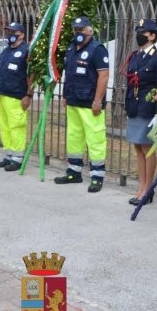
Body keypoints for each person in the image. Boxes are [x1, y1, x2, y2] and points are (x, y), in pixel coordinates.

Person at [53, 16, 109, 193]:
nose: (78, 33)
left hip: (90, 103)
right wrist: (65, 96)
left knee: (95, 139)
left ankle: (97, 176)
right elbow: (69, 75)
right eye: (75, 29)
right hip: (73, 101)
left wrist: (98, 100)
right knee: (74, 137)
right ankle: (74, 172)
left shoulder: (97, 49)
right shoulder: (71, 48)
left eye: (81, 30)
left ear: (89, 31)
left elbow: (104, 76)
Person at [124, 18, 157, 205]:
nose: (139, 35)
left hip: (148, 109)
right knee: (137, 146)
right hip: (135, 107)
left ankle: (148, 189)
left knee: (147, 148)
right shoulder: (135, 56)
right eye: (139, 32)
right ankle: (141, 186)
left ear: (152, 36)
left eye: (143, 32)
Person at [0, 22, 32, 171]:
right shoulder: (6, 51)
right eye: (8, 31)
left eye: (13, 32)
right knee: (5, 127)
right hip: (2, 94)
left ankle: (18, 158)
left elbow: (31, 75)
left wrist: (28, 95)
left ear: (21, 34)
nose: (10, 34)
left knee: (17, 126)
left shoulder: (26, 51)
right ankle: (8, 155)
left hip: (17, 96)